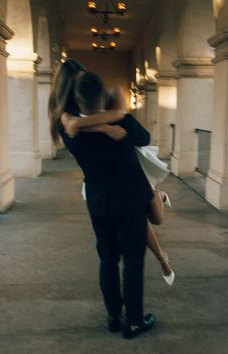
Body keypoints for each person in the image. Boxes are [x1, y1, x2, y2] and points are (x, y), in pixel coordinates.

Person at [49, 66, 158, 339]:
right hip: (130, 200)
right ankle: (133, 322)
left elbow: (74, 122)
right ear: (102, 96)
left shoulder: (68, 131)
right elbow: (145, 139)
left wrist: (98, 125)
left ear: (77, 98)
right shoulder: (125, 124)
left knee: (107, 258)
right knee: (133, 260)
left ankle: (113, 315)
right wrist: (111, 123)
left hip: (98, 201)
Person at [61, 75, 175, 286]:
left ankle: (159, 197)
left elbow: (142, 137)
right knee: (140, 228)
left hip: (133, 179)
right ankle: (163, 260)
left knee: (157, 220)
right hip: (122, 190)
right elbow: (71, 124)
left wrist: (102, 125)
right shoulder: (70, 121)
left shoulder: (76, 123)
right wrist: (105, 127)